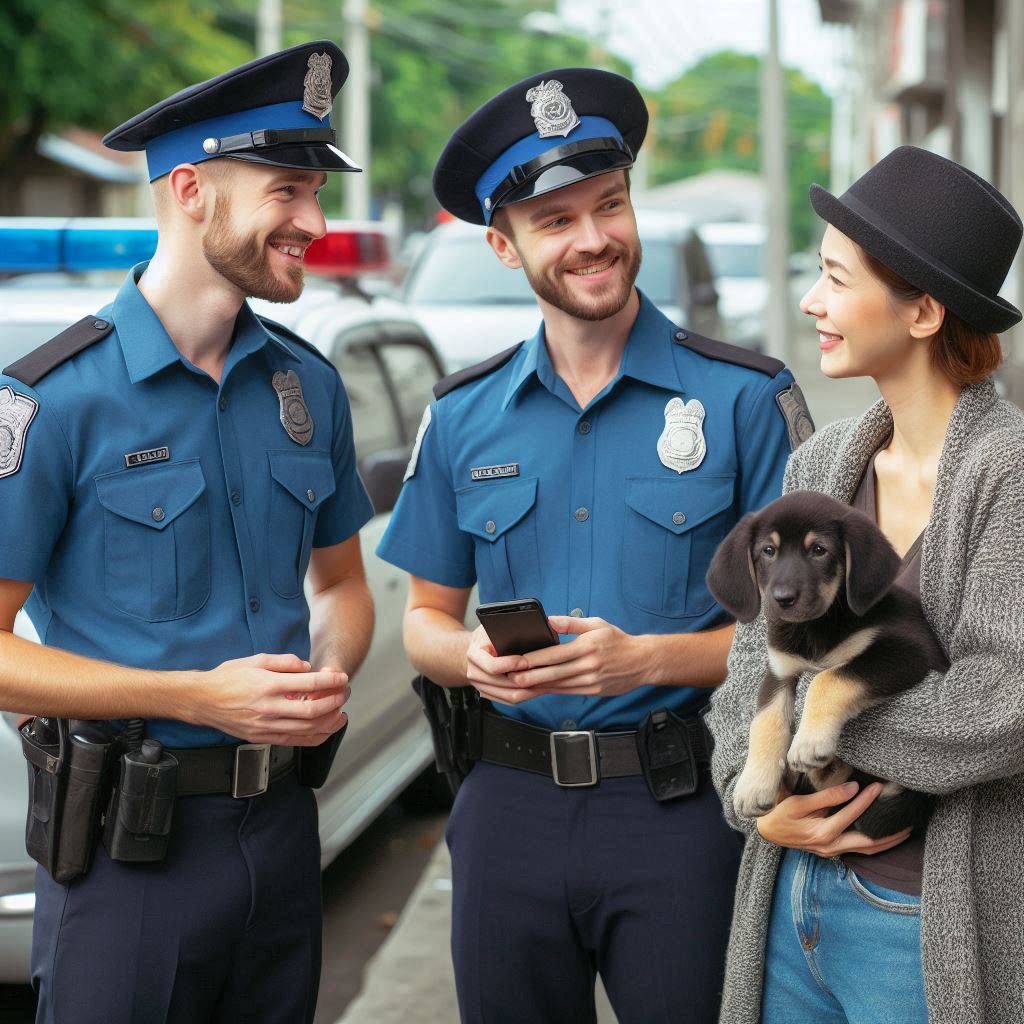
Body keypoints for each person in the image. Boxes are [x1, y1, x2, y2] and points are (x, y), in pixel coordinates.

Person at [376, 67, 812, 1024]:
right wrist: (473, 660)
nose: (593, 240)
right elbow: (424, 623)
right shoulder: (461, 414)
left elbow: (805, 646)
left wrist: (644, 660)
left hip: (682, 809)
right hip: (505, 810)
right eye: (555, 221)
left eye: (608, 206)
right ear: (504, 245)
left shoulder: (745, 399)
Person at [0, 41, 375, 1023]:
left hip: (283, 837)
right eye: (288, 191)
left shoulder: (311, 388)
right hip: (129, 858)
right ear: (189, 188)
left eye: (316, 193)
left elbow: (340, 586)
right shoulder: (50, 401)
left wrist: (322, 681)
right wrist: (197, 698)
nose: (316, 223)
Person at [705, 145, 1024, 1024]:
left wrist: (822, 712)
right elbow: (745, 676)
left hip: (920, 915)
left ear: (922, 311)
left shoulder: (1010, 473)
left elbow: (1005, 706)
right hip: (790, 892)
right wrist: (757, 798)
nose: (813, 301)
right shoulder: (821, 463)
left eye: (836, 279)